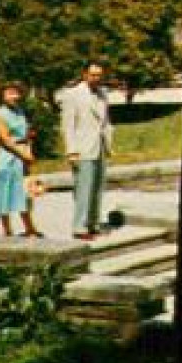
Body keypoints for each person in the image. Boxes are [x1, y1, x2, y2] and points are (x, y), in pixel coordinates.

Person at [61, 61, 114, 241]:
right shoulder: (72, 94)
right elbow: (68, 125)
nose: (96, 78)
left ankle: (93, 222)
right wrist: (71, 150)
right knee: (83, 188)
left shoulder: (103, 94)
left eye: (99, 75)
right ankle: (79, 226)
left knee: (97, 187)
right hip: (82, 148)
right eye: (93, 75)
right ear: (84, 74)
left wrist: (109, 142)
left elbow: (105, 121)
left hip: (99, 146)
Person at [0, 83, 41, 238]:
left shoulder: (19, 111)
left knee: (24, 192)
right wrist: (23, 154)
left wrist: (29, 149)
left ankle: (30, 228)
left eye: (16, 93)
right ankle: (7, 230)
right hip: (9, 156)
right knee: (5, 191)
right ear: (2, 96)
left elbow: (26, 133)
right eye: (10, 93)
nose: (14, 96)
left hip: (23, 153)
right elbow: (6, 140)